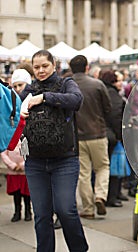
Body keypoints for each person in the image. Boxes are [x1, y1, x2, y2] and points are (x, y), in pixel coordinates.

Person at [19, 50, 88, 252]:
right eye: (37, 67)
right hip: (35, 162)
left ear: (54, 65)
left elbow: (76, 100)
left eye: (44, 66)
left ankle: (79, 249)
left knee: (66, 210)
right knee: (41, 215)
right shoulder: (28, 89)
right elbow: (13, 108)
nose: (40, 70)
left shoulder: (66, 84)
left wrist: (44, 98)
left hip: (65, 160)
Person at [70, 55, 112, 219]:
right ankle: (100, 196)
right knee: (102, 167)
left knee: (84, 173)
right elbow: (107, 108)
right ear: (87, 67)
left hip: (77, 136)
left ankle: (88, 208)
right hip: (98, 133)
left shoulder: (67, 85)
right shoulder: (97, 84)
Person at [1, 69, 32, 223]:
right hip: (13, 169)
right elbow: (4, 149)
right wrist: (12, 165)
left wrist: (23, 163)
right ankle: (17, 212)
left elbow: (27, 149)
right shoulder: (10, 104)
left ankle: (28, 212)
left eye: (21, 84)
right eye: (16, 85)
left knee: (27, 193)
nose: (19, 89)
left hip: (24, 167)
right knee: (16, 194)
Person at [101, 70, 127, 207]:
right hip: (112, 135)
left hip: (99, 134)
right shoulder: (113, 95)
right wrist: (119, 136)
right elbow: (116, 117)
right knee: (113, 167)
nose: (120, 83)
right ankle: (112, 196)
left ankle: (104, 195)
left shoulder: (101, 90)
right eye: (117, 80)